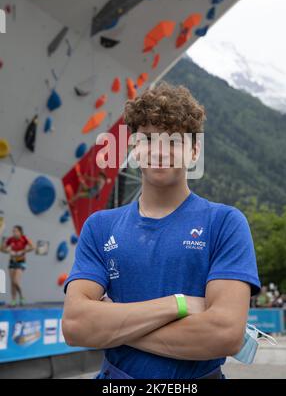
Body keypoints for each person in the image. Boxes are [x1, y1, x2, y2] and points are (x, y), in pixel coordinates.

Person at [62, 81, 261, 379]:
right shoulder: (100, 227)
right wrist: (177, 305)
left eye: (174, 141)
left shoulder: (225, 223)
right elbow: (75, 326)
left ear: (194, 152)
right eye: (148, 139)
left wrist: (112, 326)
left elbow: (225, 334)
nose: (160, 150)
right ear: (134, 149)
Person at [1, 225, 35, 306]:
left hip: (21, 262)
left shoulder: (24, 238)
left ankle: (21, 296)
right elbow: (2, 249)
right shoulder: (10, 239)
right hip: (12, 262)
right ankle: (13, 300)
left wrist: (23, 251)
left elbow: (33, 247)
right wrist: (8, 251)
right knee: (12, 282)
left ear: (20, 232)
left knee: (16, 281)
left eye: (16, 231)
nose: (14, 233)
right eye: (13, 231)